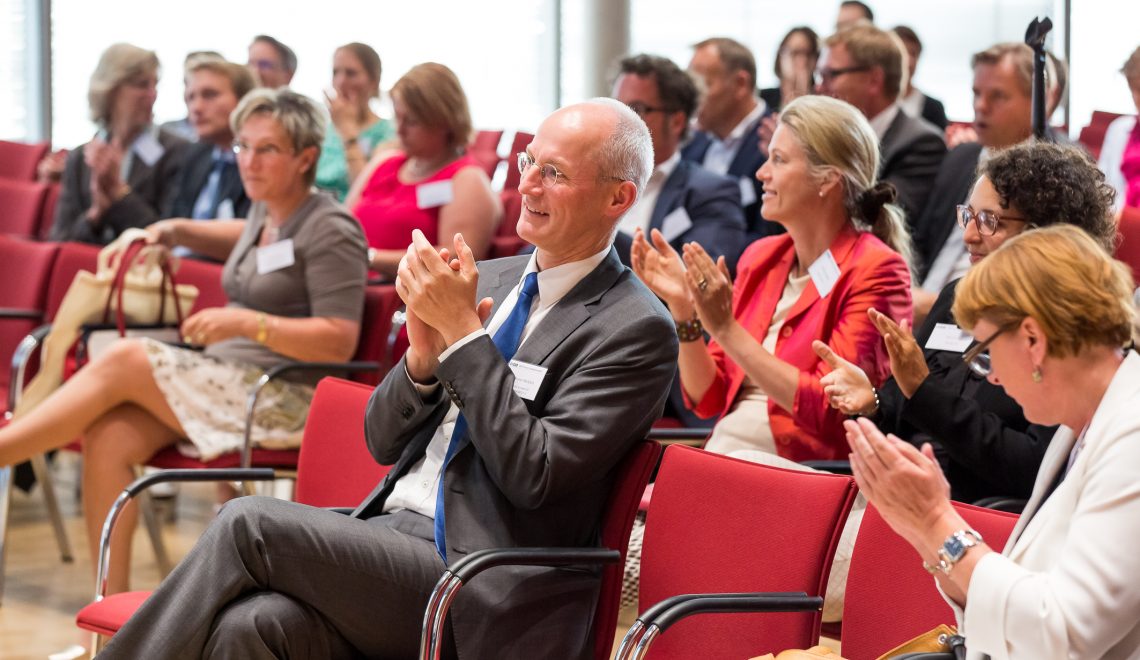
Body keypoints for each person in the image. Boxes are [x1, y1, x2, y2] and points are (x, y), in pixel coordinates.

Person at [100, 98, 678, 659]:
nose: (529, 184)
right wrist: (422, 364)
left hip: (483, 576)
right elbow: (379, 440)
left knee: (247, 520)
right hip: (390, 534)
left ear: (618, 197)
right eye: (530, 162)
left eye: (555, 173)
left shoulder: (634, 328)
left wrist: (467, 341)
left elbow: (534, 474)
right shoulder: (489, 280)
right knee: (254, 626)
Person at [0, 88, 368, 596]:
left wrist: (247, 325)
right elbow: (238, 234)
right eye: (243, 147)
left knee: (129, 356)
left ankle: (4, 448)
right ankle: (110, 629)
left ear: (306, 157)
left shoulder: (330, 228)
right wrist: (174, 230)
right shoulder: (268, 213)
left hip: (282, 398)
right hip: (228, 382)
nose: (249, 162)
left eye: (267, 150)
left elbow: (339, 340)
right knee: (108, 438)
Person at [846, 224, 1140, 659]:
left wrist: (937, 524)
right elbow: (1026, 596)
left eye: (985, 353)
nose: (993, 376)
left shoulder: (1132, 434)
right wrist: (927, 537)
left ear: (1033, 340)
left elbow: (1064, 633)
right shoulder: (1081, 424)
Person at [816, 142, 1118, 503]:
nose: (969, 236)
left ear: (1044, 233)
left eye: (989, 221)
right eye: (968, 216)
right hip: (899, 487)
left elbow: (1031, 468)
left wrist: (924, 393)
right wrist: (873, 400)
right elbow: (902, 409)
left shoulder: (1068, 325)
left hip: (971, 513)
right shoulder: (959, 296)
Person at [633, 95, 912, 462]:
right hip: (727, 455)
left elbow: (831, 411)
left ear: (827, 179)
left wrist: (727, 329)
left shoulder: (876, 268)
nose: (761, 173)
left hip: (803, 474)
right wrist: (684, 311)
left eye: (778, 160)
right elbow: (708, 398)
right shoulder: (762, 257)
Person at [611, 52, 746, 428]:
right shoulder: (592, 183)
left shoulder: (712, 191)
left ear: (677, 119)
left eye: (637, 108)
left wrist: (595, 236)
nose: (622, 120)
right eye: (617, 107)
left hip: (653, 347)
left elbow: (698, 280)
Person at [912, 43, 1035, 322]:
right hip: (923, 312)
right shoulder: (960, 157)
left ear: (1037, 101)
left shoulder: (1049, 173)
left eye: (998, 96)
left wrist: (936, 305)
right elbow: (922, 241)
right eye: (976, 94)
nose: (980, 106)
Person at [345, 62, 499, 279]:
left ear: (445, 122)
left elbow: (455, 259)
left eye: (412, 122)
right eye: (397, 117)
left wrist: (370, 257)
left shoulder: (466, 179)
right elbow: (342, 221)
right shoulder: (385, 162)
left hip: (399, 300)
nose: (399, 129)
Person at [50, 43, 189, 245]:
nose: (152, 94)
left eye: (155, 85)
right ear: (111, 90)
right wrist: (96, 215)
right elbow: (60, 241)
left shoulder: (177, 152)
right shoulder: (81, 157)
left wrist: (119, 194)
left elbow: (169, 240)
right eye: (142, 85)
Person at [817, 23, 947, 221]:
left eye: (831, 75)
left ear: (874, 80)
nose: (819, 87)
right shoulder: (838, 135)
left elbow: (880, 221)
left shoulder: (922, 143)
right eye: (820, 75)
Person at [132, 56, 256, 233]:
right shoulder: (194, 155)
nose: (196, 108)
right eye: (190, 98)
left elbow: (254, 237)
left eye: (210, 95)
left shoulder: (259, 161)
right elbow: (169, 220)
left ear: (245, 100)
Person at [683, 37, 781, 241]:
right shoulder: (691, 143)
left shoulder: (777, 144)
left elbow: (773, 236)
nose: (692, 98)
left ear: (740, 84)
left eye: (703, 85)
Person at [315, 42, 394, 201]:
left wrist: (348, 134)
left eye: (351, 73)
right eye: (335, 72)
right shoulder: (322, 128)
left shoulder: (388, 133)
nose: (341, 81)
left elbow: (369, 191)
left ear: (374, 80)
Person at [1098, 45, 1140, 213]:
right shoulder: (1118, 129)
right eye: (1134, 90)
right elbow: (1101, 188)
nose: (1137, 97)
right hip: (1115, 229)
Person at [892, 26, 948, 130]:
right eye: (902, 52)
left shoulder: (934, 108)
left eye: (914, 54)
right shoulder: (873, 102)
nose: (909, 62)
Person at [759, 27, 820, 112]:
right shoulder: (762, 98)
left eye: (808, 54)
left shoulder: (823, 100)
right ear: (781, 56)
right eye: (795, 53)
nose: (802, 60)